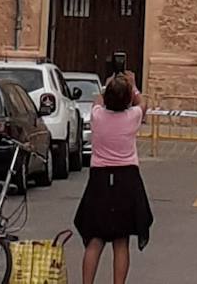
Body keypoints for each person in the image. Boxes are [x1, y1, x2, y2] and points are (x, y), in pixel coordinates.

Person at [73, 71, 154, 284]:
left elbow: (98, 100)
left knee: (95, 239)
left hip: (99, 180)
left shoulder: (98, 116)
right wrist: (133, 86)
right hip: (126, 179)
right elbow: (143, 103)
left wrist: (107, 86)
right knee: (121, 240)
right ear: (126, 99)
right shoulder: (132, 117)